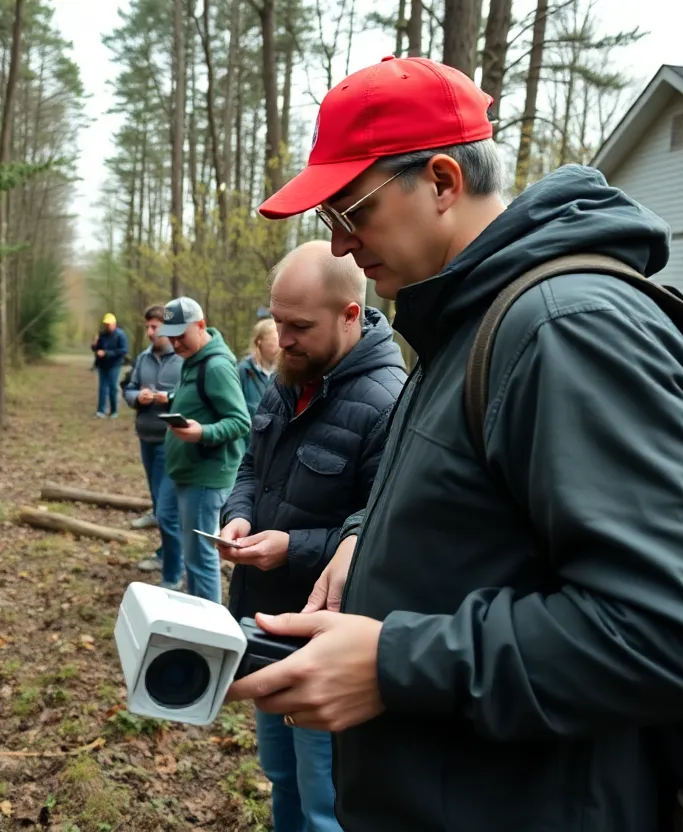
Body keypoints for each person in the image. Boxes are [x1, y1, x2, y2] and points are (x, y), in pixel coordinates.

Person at [226, 56, 683, 831]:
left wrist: (393, 664)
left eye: (351, 211)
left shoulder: (565, 330)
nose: (340, 247)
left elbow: (673, 636)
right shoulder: (462, 327)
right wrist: (365, 538)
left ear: (440, 180)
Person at [217, 241, 405, 832]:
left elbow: (385, 539)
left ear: (351, 314)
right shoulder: (287, 377)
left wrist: (291, 548)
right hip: (264, 622)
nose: (283, 338)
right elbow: (251, 464)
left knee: (327, 803)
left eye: (299, 326)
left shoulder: (388, 405)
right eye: (277, 321)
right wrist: (240, 515)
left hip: (327, 647)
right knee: (282, 779)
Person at [158, 297, 251, 602]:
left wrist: (202, 433)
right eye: (170, 337)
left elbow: (240, 422)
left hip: (205, 477)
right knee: (186, 547)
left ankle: (207, 627)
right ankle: (191, 610)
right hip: (184, 472)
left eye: (180, 336)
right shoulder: (192, 360)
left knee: (201, 559)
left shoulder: (216, 366)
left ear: (200, 326)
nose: (175, 344)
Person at [123, 305, 184, 584]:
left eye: (155, 327)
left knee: (166, 510)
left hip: (170, 442)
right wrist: (138, 397)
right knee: (159, 503)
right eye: (147, 327)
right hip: (145, 438)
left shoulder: (182, 358)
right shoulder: (143, 358)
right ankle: (164, 553)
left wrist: (167, 397)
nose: (150, 332)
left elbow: (188, 396)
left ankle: (174, 569)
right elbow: (129, 388)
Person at [237, 318, 279, 420]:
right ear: (259, 342)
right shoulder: (243, 371)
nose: (281, 343)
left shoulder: (286, 373)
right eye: (275, 339)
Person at [91, 312, 129, 419]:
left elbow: (123, 350)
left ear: (114, 324)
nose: (107, 326)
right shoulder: (102, 335)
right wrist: (94, 344)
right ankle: (100, 411)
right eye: (106, 324)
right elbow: (96, 349)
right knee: (102, 388)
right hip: (103, 365)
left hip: (115, 365)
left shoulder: (121, 335)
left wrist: (106, 353)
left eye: (109, 324)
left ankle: (114, 411)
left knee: (113, 387)